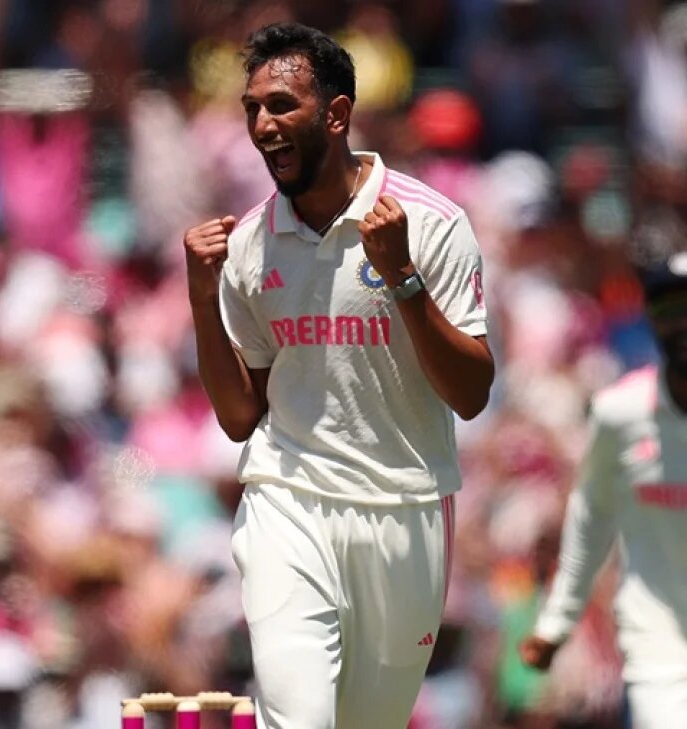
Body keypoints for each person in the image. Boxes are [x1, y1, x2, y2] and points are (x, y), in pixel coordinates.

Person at [182, 23, 494, 729]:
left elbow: (471, 394)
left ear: (337, 114)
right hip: (288, 499)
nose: (263, 125)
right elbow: (240, 417)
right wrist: (202, 299)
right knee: (299, 717)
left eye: (282, 105)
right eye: (252, 108)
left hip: (405, 506)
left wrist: (402, 276)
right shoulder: (250, 244)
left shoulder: (431, 223)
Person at [519, 254, 687, 729]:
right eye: (672, 309)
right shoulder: (621, 412)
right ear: (653, 322)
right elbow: (591, 517)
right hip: (660, 650)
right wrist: (557, 622)